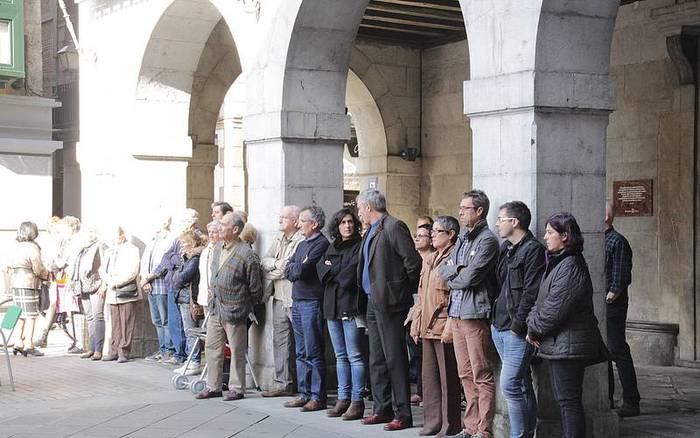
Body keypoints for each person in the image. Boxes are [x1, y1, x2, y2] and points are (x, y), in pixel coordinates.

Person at [526, 213, 604, 438]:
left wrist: (533, 329)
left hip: (569, 345)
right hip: (560, 343)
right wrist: (532, 324)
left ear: (565, 236)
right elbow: (540, 301)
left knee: (569, 403)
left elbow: (554, 309)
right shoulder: (559, 261)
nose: (545, 237)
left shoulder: (570, 265)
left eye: (550, 232)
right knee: (566, 402)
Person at [356, 189, 421, 431]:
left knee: (395, 357)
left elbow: (412, 262)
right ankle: (381, 408)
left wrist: (401, 292)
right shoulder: (372, 230)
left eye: (361, 208)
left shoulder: (394, 226)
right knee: (377, 358)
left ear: (370, 207)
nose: (359, 212)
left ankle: (403, 413)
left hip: (390, 301)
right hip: (373, 300)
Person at [439, 189, 499, 438]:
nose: (460, 212)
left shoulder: (487, 240)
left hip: (475, 313)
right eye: (461, 207)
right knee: (464, 373)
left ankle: (483, 429)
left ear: (479, 211)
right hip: (457, 313)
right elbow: (444, 269)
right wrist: (458, 271)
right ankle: (470, 427)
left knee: (481, 373)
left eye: (465, 208)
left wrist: (458, 273)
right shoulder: (463, 238)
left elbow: (471, 277)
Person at [195, 212, 263, 401]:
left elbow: (255, 287)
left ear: (235, 229)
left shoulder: (246, 254)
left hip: (235, 310)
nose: (219, 227)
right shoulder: (218, 248)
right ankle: (213, 386)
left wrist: (244, 304)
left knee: (236, 350)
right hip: (216, 307)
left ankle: (236, 388)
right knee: (212, 347)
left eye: (224, 224)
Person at [492, 201, 545, 438]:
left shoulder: (533, 249)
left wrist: (517, 326)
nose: (497, 224)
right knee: (521, 384)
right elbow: (499, 286)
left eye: (500, 219)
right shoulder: (506, 248)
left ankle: (519, 435)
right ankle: (527, 432)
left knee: (510, 385)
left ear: (514, 222)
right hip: (499, 326)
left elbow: (531, 293)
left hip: (516, 330)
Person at [410, 215, 462, 437]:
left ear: (450, 235)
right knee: (429, 378)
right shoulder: (430, 259)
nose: (432, 234)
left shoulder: (453, 258)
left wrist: (451, 323)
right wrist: (415, 321)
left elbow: (454, 294)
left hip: (443, 325)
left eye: (437, 231)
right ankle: (432, 421)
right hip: (426, 324)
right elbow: (422, 295)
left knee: (448, 378)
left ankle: (450, 424)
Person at [317, 208, 366, 420]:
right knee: (340, 355)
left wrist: (333, 267)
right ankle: (342, 397)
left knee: (355, 355)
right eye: (343, 222)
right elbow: (322, 271)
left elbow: (350, 275)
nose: (347, 226)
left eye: (350, 222)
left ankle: (357, 400)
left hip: (350, 305)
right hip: (332, 307)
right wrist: (334, 269)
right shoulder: (332, 246)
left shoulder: (359, 246)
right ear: (337, 226)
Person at [283, 206, 331, 412]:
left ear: (314, 223)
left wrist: (296, 267)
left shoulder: (321, 244)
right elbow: (289, 269)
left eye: (302, 221)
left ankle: (317, 395)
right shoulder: (302, 244)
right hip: (298, 300)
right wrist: (295, 266)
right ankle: (304, 393)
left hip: (312, 302)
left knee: (313, 350)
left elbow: (303, 269)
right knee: (301, 351)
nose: (298, 224)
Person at [261, 205, 304, 397]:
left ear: (295, 221)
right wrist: (276, 264)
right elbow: (264, 261)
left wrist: (275, 267)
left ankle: (304, 386)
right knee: (280, 342)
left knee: (302, 344)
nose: (280, 220)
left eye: (284, 218)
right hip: (277, 296)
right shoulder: (279, 238)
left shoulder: (301, 239)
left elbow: (286, 269)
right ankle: (282, 383)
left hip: (294, 298)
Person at [604, 202, 640, 417]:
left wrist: (609, 298)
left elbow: (620, 278)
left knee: (617, 350)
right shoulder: (599, 239)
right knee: (604, 353)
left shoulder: (617, 241)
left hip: (612, 307)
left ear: (607, 216)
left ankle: (631, 401)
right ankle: (606, 398)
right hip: (601, 305)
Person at [99, 225, 141, 363]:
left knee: (127, 322)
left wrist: (118, 282)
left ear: (122, 236)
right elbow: (102, 270)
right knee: (115, 323)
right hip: (112, 290)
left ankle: (124, 351)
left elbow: (133, 270)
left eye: (114, 237)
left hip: (126, 290)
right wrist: (108, 281)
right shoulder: (109, 251)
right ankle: (113, 350)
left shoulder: (132, 249)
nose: (112, 240)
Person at [7, 221, 48, 356]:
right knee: (31, 315)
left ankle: (18, 341)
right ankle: (28, 344)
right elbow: (37, 267)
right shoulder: (32, 247)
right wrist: (45, 274)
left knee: (18, 313)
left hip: (16, 281)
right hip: (29, 282)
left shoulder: (16, 246)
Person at [140, 216, 175, 362]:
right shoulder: (153, 240)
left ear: (165, 223)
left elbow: (164, 264)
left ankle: (169, 350)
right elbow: (144, 262)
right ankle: (162, 350)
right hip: (151, 286)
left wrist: (148, 277)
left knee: (165, 320)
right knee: (157, 320)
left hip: (161, 286)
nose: (153, 225)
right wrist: (144, 279)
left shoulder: (169, 240)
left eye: (156, 221)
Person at [68, 227, 104, 360]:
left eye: (92, 231)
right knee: (89, 317)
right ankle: (91, 347)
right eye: (87, 232)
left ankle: (98, 350)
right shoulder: (82, 248)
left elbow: (104, 265)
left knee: (97, 316)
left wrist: (104, 284)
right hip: (82, 285)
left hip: (95, 285)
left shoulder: (100, 246)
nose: (89, 234)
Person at [172, 230, 205, 376]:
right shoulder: (187, 257)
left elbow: (182, 277)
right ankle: (191, 359)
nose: (182, 245)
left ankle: (194, 361)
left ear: (192, 243)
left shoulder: (195, 258)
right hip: (184, 297)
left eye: (185, 242)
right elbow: (176, 276)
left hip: (189, 298)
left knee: (191, 331)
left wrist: (178, 280)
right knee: (189, 331)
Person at [408, 217, 434, 406]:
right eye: (416, 236)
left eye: (422, 236)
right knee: (415, 350)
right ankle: (420, 389)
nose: (418, 239)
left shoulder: (434, 258)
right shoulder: (413, 259)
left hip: (429, 307)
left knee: (427, 353)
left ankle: (428, 392)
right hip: (413, 305)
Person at [197, 221, 221, 310]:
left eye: (214, 232)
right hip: (206, 297)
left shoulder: (224, 250)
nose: (210, 235)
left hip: (219, 299)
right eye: (209, 232)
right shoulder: (205, 251)